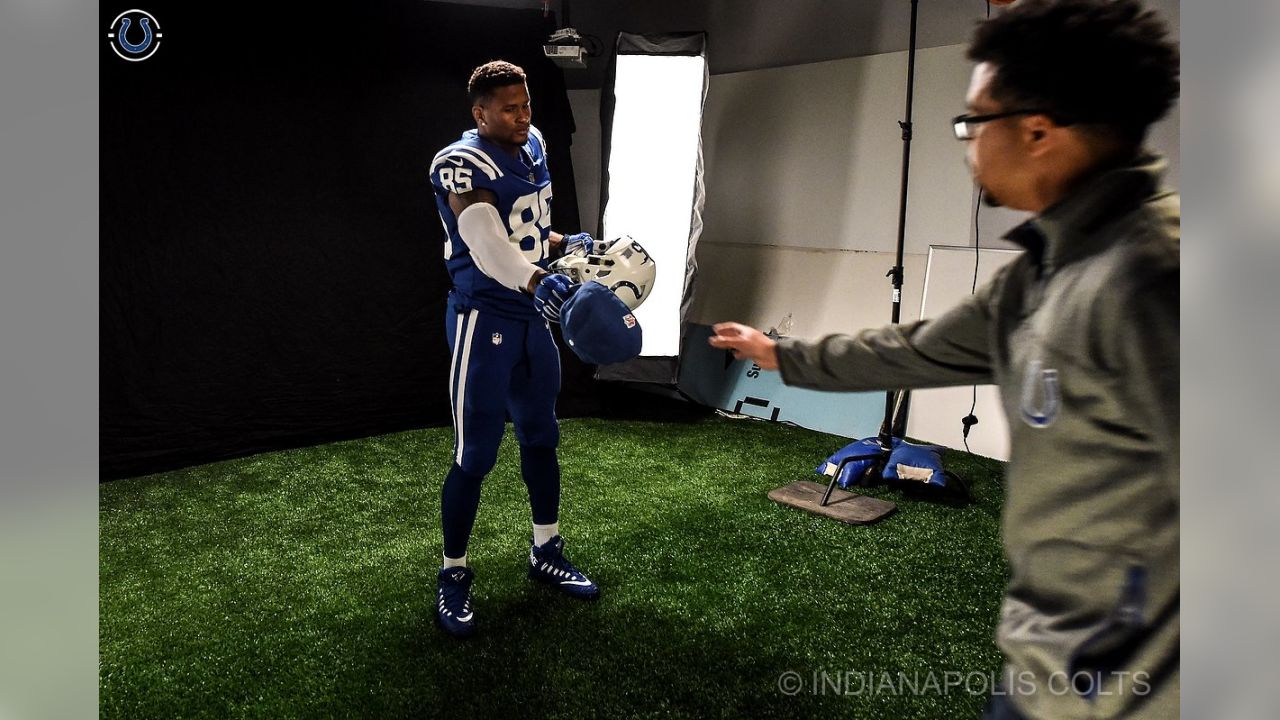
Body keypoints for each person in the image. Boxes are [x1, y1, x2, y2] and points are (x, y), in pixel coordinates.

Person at [709, 1, 1179, 717]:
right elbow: (915, 349)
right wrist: (781, 354)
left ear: (1038, 131)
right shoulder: (1044, 270)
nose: (965, 144)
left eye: (972, 122)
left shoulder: (1158, 277)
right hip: (1044, 662)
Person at [428, 60, 599, 639]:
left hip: (531, 318)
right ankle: (453, 573)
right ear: (480, 112)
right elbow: (486, 243)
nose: (523, 115)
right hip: (485, 318)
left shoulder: (533, 144)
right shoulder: (462, 163)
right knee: (475, 454)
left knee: (541, 435)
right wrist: (534, 278)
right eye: (509, 108)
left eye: (526, 105)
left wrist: (562, 241)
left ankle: (546, 548)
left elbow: (525, 229)